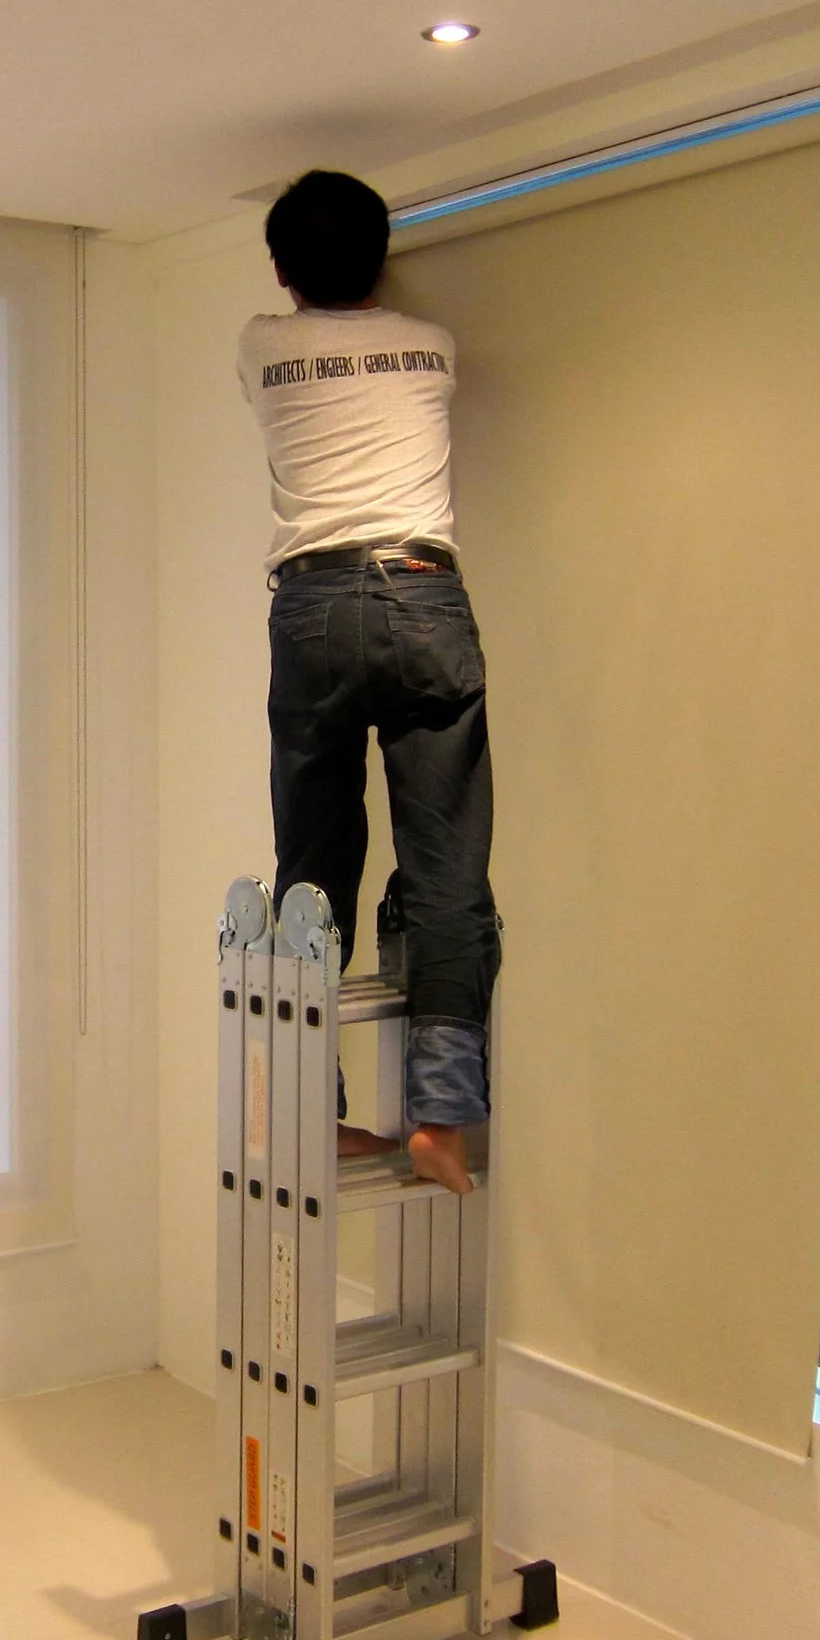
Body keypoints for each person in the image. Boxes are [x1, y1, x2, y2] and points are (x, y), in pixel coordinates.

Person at [238, 169, 496, 1194]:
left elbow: (296, 312)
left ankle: (307, 1111)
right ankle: (440, 1117)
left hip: (311, 604)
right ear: (383, 257)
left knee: (313, 860)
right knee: (447, 864)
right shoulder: (432, 347)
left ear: (281, 272)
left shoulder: (260, 346)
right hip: (424, 592)